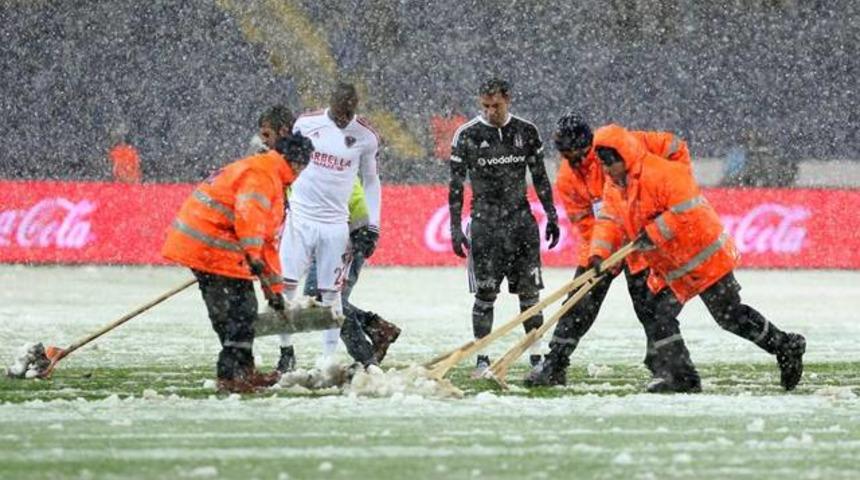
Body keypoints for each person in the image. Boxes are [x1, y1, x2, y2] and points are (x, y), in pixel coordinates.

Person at [590, 124, 806, 392]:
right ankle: (682, 376)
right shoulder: (615, 188)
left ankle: (785, 346)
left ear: (625, 156)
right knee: (658, 315)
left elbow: (686, 211)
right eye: (603, 164)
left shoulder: (663, 174)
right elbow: (609, 220)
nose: (606, 170)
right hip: (671, 265)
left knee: (730, 317)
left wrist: (653, 232)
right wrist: (598, 254)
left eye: (610, 163)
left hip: (703, 258)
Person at [524, 114, 693, 387]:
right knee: (577, 305)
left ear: (591, 145)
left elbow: (675, 147)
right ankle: (556, 363)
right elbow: (587, 224)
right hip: (603, 247)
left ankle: (663, 366)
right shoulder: (567, 179)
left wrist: (675, 183)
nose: (576, 162)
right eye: (569, 157)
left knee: (649, 309)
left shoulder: (623, 146)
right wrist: (601, 256)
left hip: (642, 244)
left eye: (581, 155)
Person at [162, 106, 313, 393]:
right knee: (240, 311)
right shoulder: (264, 174)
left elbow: (268, 241)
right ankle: (231, 376)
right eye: (304, 167)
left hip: (215, 246)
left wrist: (274, 290)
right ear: (297, 163)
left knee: (236, 311)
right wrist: (253, 258)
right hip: (210, 246)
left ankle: (242, 371)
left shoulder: (273, 175)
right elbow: (250, 219)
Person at [248, 107, 400, 372]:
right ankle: (375, 330)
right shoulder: (286, 162)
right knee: (320, 296)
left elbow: (353, 193)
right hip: (315, 231)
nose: (264, 143)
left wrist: (364, 230)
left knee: (323, 297)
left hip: (349, 232)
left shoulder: (313, 157)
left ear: (285, 132)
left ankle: (367, 355)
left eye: (267, 135)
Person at [448, 77, 561, 378]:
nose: (489, 112)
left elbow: (540, 177)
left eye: (495, 105)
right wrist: (455, 227)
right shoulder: (466, 135)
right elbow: (456, 185)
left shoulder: (526, 131)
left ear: (508, 100)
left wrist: (551, 213)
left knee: (529, 295)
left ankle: (536, 358)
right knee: (485, 295)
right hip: (485, 225)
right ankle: (482, 359)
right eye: (484, 106)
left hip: (521, 223)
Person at [277, 82, 384, 371]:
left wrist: (373, 225)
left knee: (331, 295)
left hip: (337, 225)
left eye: (348, 113)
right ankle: (286, 353)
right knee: (287, 286)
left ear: (355, 107)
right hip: (301, 219)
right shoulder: (307, 123)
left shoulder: (366, 136)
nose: (343, 119)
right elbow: (286, 165)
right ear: (331, 104)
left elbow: (372, 181)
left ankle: (328, 360)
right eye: (339, 112)